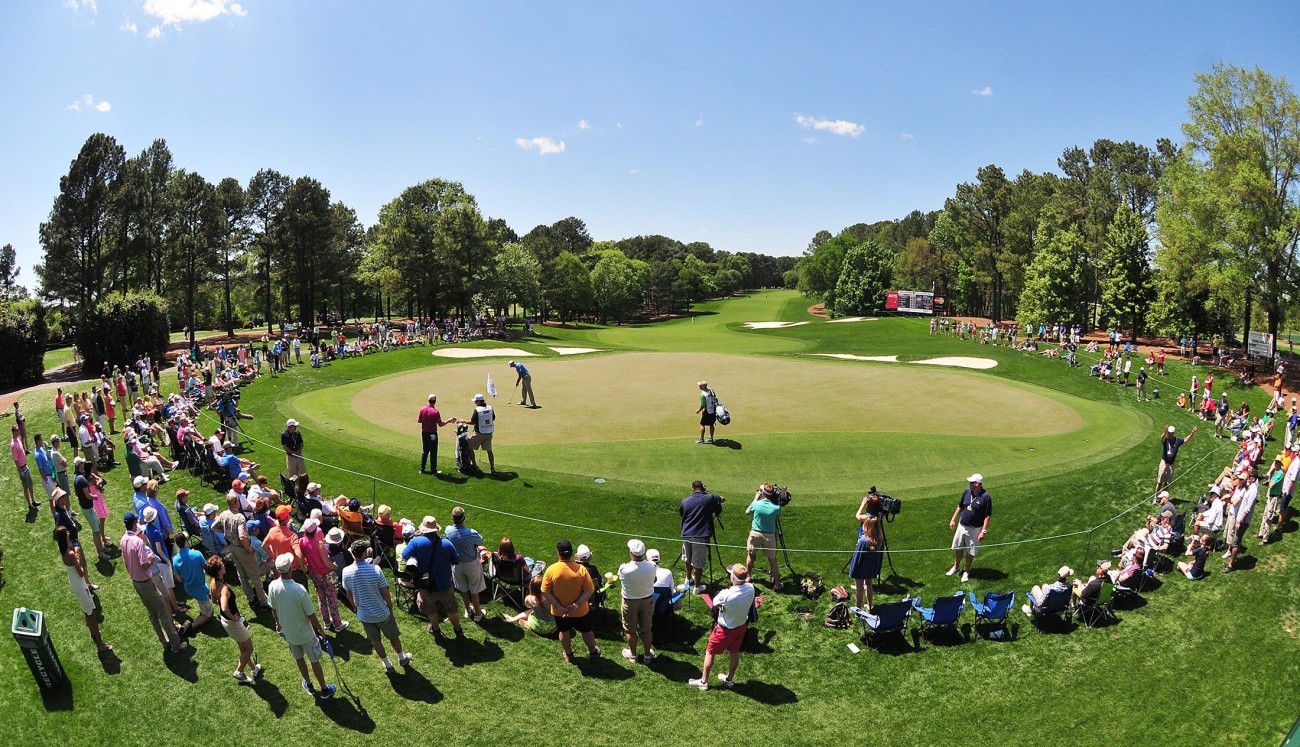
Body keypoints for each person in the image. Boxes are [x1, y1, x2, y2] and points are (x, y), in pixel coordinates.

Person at [267, 553, 336, 698]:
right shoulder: (299, 589)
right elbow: (311, 614)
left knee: (299, 658)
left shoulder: (272, 586)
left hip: (289, 633)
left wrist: (278, 624)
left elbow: (274, 609)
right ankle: (324, 689)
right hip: (306, 633)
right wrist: (320, 631)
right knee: (314, 660)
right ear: (291, 569)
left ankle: (309, 685)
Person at [120, 512, 187, 653]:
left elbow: (126, 563)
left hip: (136, 582)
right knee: (163, 613)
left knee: (152, 614)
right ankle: (176, 645)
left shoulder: (123, 539)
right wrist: (151, 558)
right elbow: (145, 564)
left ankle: (164, 642)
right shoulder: (137, 542)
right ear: (134, 523)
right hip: (146, 581)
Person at [341, 540, 412, 672]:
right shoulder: (375, 569)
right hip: (381, 612)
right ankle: (402, 658)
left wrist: (356, 608)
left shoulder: (346, 572)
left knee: (375, 641)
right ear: (363, 554)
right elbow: (385, 592)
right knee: (393, 636)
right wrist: (389, 607)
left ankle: (387, 665)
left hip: (364, 615)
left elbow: (349, 595)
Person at [688, 563, 755, 690]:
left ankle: (703, 682)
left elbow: (715, 602)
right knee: (734, 653)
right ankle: (729, 679)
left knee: (710, 652)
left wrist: (722, 606)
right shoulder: (751, 588)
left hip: (724, 630)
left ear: (734, 579)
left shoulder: (726, 593)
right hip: (741, 627)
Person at [401, 516, 465, 638]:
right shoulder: (447, 543)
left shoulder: (415, 542)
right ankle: (458, 630)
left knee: (431, 610)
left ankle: (436, 630)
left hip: (426, 586)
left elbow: (404, 556)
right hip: (445, 584)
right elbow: (456, 561)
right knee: (451, 609)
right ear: (436, 529)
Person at [541, 538, 599, 664]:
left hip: (560, 612)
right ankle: (593, 653)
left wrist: (558, 606)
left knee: (564, 632)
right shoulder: (581, 570)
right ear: (572, 553)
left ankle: (569, 655)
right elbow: (589, 591)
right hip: (581, 611)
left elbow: (545, 591)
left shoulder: (551, 570)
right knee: (587, 631)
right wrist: (576, 605)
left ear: (558, 553)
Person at [212, 491, 271, 611]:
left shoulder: (223, 514)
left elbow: (213, 527)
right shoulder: (239, 517)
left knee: (242, 576)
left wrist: (227, 533)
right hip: (242, 549)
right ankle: (264, 603)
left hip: (232, 548)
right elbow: (243, 537)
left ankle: (251, 599)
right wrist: (249, 549)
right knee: (255, 577)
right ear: (236, 503)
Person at [207, 554, 262, 683]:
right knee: (249, 648)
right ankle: (239, 671)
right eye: (222, 565)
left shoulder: (213, 582)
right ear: (219, 570)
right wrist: (234, 617)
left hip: (225, 621)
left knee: (243, 648)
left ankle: (254, 669)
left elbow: (213, 600)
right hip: (232, 622)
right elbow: (224, 607)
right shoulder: (224, 589)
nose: (224, 565)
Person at [57, 525, 111, 652]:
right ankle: (100, 644)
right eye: (67, 533)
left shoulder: (65, 551)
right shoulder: (70, 554)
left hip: (76, 584)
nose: (69, 534)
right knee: (91, 613)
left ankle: (93, 632)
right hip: (80, 585)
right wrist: (78, 556)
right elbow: (81, 572)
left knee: (87, 611)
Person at [299, 518, 348, 632]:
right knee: (332, 599)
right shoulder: (319, 544)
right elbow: (327, 563)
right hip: (326, 573)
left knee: (321, 599)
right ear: (315, 530)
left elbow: (303, 556)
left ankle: (326, 622)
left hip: (314, 574)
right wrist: (335, 566)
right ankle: (338, 624)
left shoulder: (302, 541)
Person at [680, 480, 725, 592]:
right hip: (700, 535)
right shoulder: (708, 498)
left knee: (688, 558)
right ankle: (697, 587)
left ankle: (688, 578)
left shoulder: (685, 501)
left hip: (686, 534)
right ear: (702, 488)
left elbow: (681, 513)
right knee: (698, 562)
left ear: (692, 489)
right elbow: (722, 499)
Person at [947, 473, 992, 583]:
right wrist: (953, 519)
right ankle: (956, 567)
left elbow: (987, 515)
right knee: (958, 547)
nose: (970, 484)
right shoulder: (967, 492)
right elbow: (961, 505)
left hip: (975, 528)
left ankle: (966, 571)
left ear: (978, 484)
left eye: (972, 482)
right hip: (962, 525)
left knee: (971, 551)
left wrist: (983, 531)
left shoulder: (986, 497)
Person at [445, 506, 487, 621]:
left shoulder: (448, 530)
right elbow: (480, 541)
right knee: (474, 590)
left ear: (452, 518)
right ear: (464, 518)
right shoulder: (472, 533)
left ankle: (468, 610)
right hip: (471, 564)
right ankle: (478, 614)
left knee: (463, 589)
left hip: (457, 564)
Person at [618, 538, 656, 664]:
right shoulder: (652, 566)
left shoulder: (624, 569)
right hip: (647, 601)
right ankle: (647, 655)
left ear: (631, 553)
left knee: (630, 629)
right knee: (646, 629)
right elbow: (654, 579)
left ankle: (633, 655)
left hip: (630, 602)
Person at [849, 492, 885, 609]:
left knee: (859, 587)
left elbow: (857, 515)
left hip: (863, 553)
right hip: (871, 558)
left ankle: (858, 608)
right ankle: (869, 606)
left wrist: (863, 503)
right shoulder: (878, 518)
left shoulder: (867, 521)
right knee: (868, 583)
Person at [744, 484, 783, 591]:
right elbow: (778, 513)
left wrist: (756, 498)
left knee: (751, 555)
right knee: (772, 559)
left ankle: (748, 577)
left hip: (755, 534)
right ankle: (777, 583)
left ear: (763, 493)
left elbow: (747, 512)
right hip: (769, 536)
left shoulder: (756, 504)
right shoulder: (776, 508)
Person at [172, 531, 213, 630]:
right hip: (199, 588)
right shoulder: (197, 554)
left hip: (189, 588)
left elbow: (179, 579)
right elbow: (206, 568)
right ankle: (190, 627)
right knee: (208, 614)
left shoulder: (175, 560)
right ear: (186, 541)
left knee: (207, 594)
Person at [1222, 469, 1258, 573]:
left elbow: (1248, 508)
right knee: (1235, 541)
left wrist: (1239, 521)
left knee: (1236, 542)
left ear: (1253, 479)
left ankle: (1231, 565)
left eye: (1249, 478)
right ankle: (1232, 561)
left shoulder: (1253, 490)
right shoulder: (1250, 487)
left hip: (1243, 521)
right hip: (1240, 518)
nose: (1247, 479)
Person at [459, 394, 496, 474]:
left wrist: (463, 421)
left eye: (476, 401)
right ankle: (492, 468)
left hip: (479, 433)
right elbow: (493, 418)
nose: (475, 402)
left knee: (469, 447)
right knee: (489, 450)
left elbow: (472, 422)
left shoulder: (477, 410)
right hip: (489, 433)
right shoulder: (490, 408)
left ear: (479, 401)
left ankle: (474, 466)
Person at [1156, 425, 1197, 498]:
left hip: (1171, 464)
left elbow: (1185, 440)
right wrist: (1164, 432)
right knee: (1160, 481)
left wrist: (1192, 434)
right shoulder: (1166, 440)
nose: (1169, 434)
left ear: (1173, 433)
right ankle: (1155, 497)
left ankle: (1164, 497)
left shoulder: (1177, 440)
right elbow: (1161, 439)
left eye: (1171, 433)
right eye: (1168, 433)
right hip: (1164, 462)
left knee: (1167, 482)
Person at [417, 393, 452, 475]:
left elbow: (419, 420)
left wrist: (426, 421)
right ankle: (433, 471)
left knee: (425, 450)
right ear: (435, 401)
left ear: (428, 400)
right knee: (433, 452)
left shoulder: (422, 409)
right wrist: (448, 421)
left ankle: (422, 468)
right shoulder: (435, 412)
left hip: (424, 432)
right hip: (432, 434)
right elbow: (440, 424)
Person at [12, 424, 36, 509]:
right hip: (22, 468)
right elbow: (16, 460)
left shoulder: (18, 439)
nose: (19, 431)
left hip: (25, 466)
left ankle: (33, 501)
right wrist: (20, 472)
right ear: (14, 432)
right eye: (17, 430)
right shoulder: (13, 445)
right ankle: (29, 505)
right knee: (26, 487)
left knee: (30, 485)